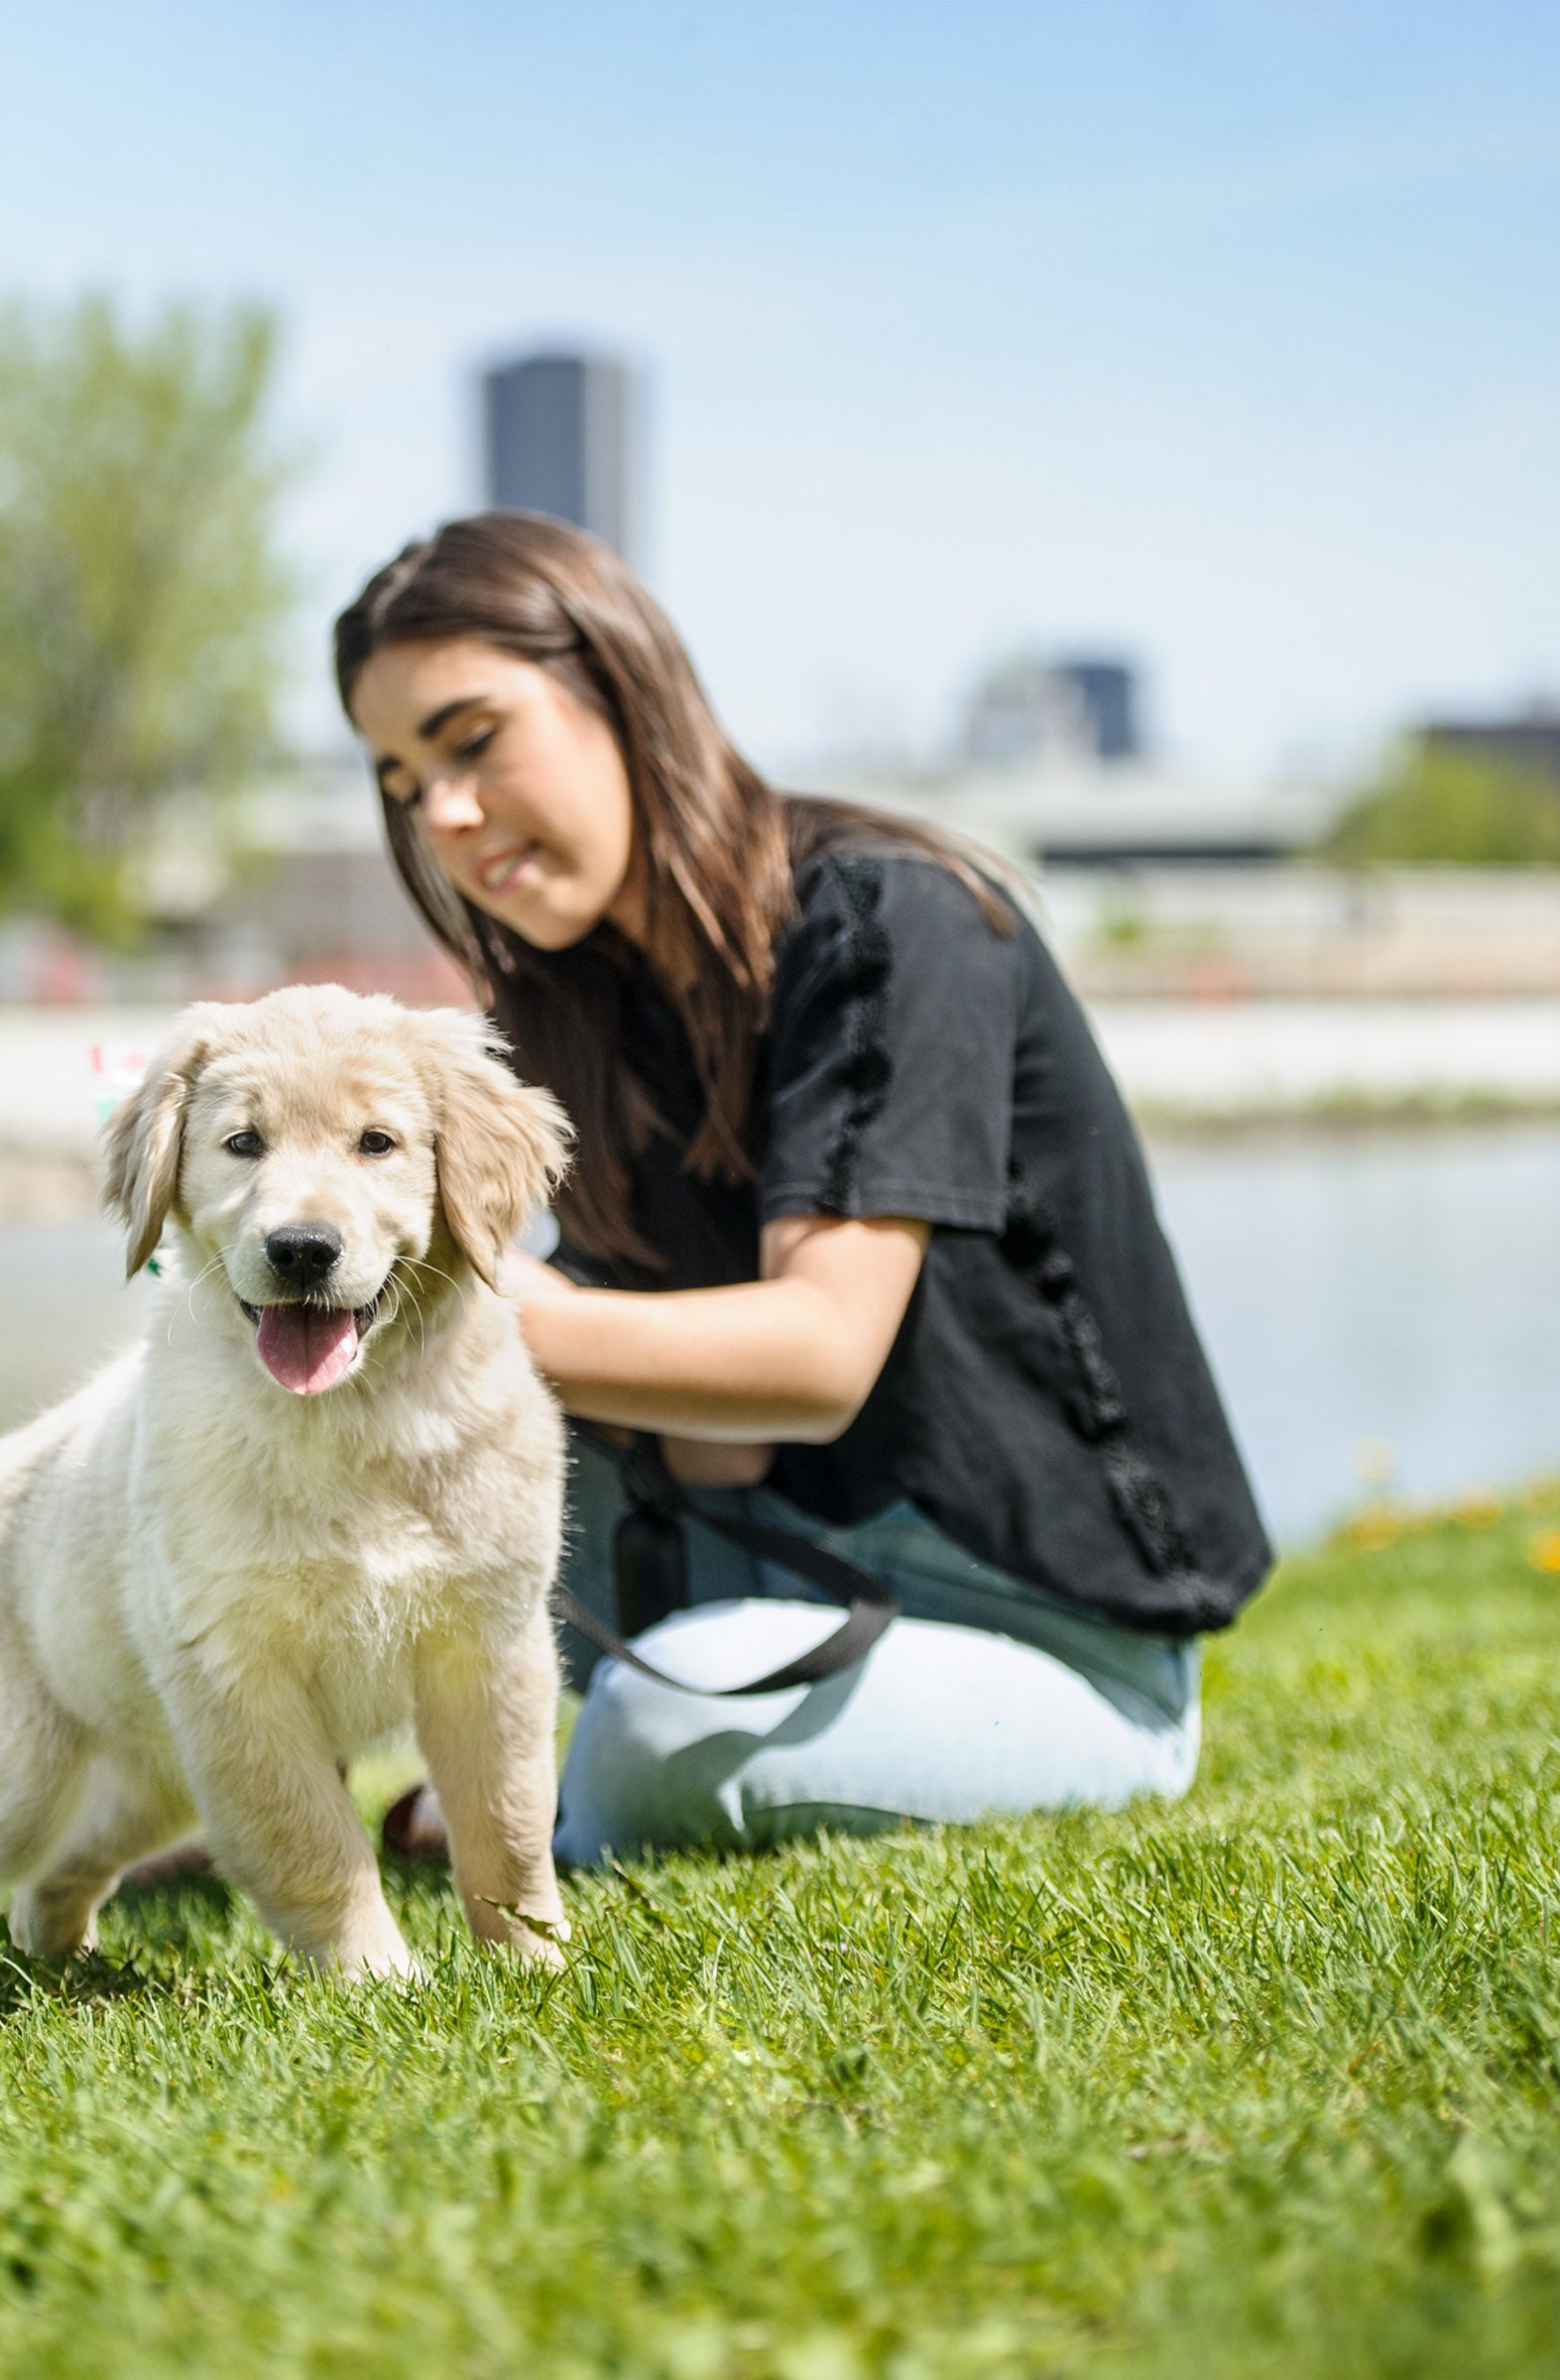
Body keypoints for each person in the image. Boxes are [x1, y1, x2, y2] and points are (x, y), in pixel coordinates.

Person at [334, 513, 1272, 1868]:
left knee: (657, 1738)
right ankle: (240, 1786)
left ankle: (545, 1805)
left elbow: (818, 1360)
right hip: (798, 1566)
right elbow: (717, 1444)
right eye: (403, 779)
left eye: (472, 742)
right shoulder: (576, 1009)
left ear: (620, 683)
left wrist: (463, 1311)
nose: (447, 814)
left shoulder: (896, 920)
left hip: (1057, 1648)